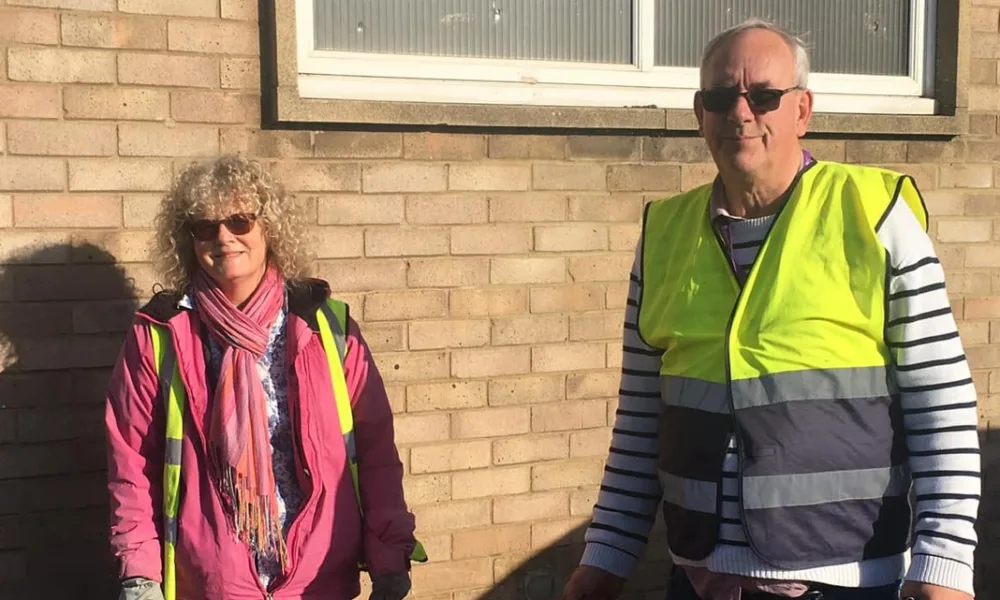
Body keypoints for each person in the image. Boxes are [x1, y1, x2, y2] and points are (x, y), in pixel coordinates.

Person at [561, 19, 980, 600]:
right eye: (720, 96)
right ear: (698, 113)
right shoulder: (662, 235)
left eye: (763, 96)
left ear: (802, 110)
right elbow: (640, 425)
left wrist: (944, 567)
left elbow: (942, 407)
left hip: (845, 582)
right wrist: (603, 561)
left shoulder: (876, 215)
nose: (740, 112)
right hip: (699, 580)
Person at [105, 155, 423, 600]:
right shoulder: (159, 335)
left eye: (239, 221)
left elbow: (375, 452)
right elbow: (132, 464)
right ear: (188, 239)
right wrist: (140, 576)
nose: (223, 237)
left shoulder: (325, 326)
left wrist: (390, 559)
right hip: (213, 582)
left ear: (268, 228)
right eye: (205, 226)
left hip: (318, 580)